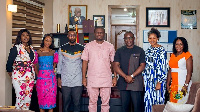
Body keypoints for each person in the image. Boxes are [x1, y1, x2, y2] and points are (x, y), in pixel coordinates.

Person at [81, 27, 117, 112]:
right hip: (92, 79)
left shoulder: (109, 46)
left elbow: (113, 63)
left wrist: (115, 76)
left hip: (106, 79)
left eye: (101, 32)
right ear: (94, 33)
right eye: (97, 32)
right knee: (92, 103)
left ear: (104, 34)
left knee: (105, 103)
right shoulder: (88, 46)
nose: (99, 34)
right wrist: (84, 78)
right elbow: (85, 62)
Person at [113, 31, 145, 112]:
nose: (128, 40)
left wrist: (131, 76)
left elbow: (142, 66)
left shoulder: (140, 50)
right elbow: (115, 66)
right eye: (126, 38)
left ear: (134, 38)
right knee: (125, 108)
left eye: (130, 38)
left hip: (136, 83)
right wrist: (125, 77)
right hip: (123, 84)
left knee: (137, 108)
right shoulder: (119, 51)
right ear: (124, 39)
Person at [6, 29, 36, 110]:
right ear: (20, 37)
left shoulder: (31, 48)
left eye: (27, 35)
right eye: (23, 35)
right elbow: (9, 64)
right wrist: (14, 77)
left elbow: (32, 62)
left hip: (30, 78)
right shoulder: (16, 48)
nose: (26, 37)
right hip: (19, 78)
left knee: (27, 100)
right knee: (20, 99)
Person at [57, 29, 84, 112]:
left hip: (78, 80)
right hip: (65, 80)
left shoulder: (82, 48)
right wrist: (59, 78)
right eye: (70, 35)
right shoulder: (62, 49)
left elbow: (84, 64)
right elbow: (59, 64)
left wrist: (84, 78)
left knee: (77, 103)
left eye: (73, 35)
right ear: (67, 36)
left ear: (76, 36)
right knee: (66, 104)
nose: (72, 36)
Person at [142, 28, 168, 112]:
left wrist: (159, 82)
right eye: (150, 38)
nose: (152, 40)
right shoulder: (148, 50)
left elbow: (164, 67)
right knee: (148, 102)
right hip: (148, 81)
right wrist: (143, 79)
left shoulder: (162, 50)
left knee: (158, 103)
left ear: (158, 38)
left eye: (154, 38)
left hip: (157, 80)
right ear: (148, 39)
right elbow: (145, 66)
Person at [34, 34, 58, 112]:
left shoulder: (54, 52)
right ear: (43, 41)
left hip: (51, 79)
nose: (48, 42)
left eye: (50, 41)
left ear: (52, 42)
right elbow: (35, 65)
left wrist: (50, 70)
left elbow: (55, 64)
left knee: (51, 101)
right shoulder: (37, 52)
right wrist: (38, 75)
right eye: (46, 40)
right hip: (41, 79)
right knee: (41, 101)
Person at [167, 37, 193, 104]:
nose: (178, 46)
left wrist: (185, 86)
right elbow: (170, 70)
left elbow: (189, 72)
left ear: (184, 45)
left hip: (182, 83)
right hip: (173, 84)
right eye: (177, 44)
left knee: (181, 103)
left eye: (181, 44)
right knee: (173, 103)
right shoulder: (172, 55)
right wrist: (167, 83)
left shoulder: (187, 55)